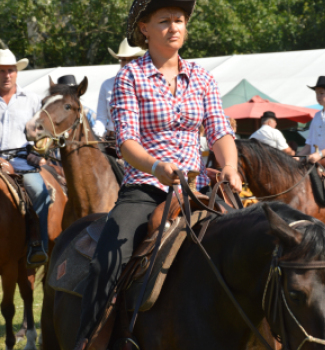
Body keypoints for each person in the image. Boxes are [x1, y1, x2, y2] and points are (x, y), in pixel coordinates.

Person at [74, 1, 242, 348]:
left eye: (179, 20)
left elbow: (219, 131)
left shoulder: (202, 77)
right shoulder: (129, 77)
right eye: (164, 20)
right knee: (108, 258)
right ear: (144, 29)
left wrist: (229, 167)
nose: (174, 27)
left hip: (198, 191)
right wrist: (155, 166)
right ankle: (92, 340)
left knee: (255, 243)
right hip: (145, 188)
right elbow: (126, 143)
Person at [0, 48, 50, 266]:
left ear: (17, 73)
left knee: (40, 193)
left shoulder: (32, 99)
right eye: (1, 71)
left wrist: (39, 153)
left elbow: (45, 133)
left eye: (10, 70)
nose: (6, 75)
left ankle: (39, 246)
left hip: (23, 162)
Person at [93, 39, 145, 138]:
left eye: (130, 59)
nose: (126, 63)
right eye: (123, 59)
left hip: (141, 140)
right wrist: (96, 135)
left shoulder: (148, 84)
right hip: (112, 140)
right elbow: (101, 119)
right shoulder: (107, 85)